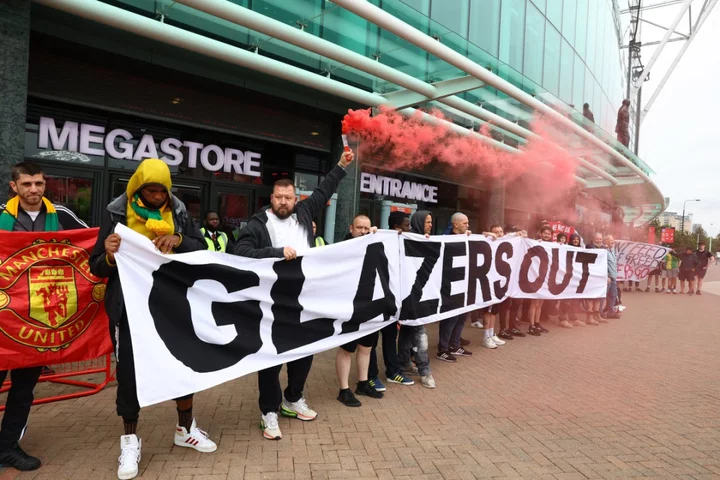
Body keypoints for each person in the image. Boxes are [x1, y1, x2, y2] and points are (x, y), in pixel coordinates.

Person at [89, 159, 216, 480]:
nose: (158, 196)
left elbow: (202, 248)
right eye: (151, 190)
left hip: (171, 307)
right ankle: (130, 441)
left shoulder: (180, 213)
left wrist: (179, 240)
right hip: (130, 312)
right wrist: (108, 255)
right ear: (138, 189)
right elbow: (96, 266)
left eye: (162, 190)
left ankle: (184, 428)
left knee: (182, 367)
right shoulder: (116, 214)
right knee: (130, 374)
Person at [234, 150, 354, 440]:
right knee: (271, 359)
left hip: (306, 300)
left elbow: (324, 189)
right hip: (271, 303)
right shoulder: (258, 223)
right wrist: (276, 254)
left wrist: (341, 164)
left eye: (288, 197)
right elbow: (240, 252)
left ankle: (293, 398)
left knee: (304, 353)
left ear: (295, 198)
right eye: (279, 197)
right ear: (271, 197)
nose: (284, 202)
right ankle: (269, 411)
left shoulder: (303, 212)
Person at [0, 162, 86, 472]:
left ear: (45, 184)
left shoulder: (62, 216)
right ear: (14, 187)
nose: (33, 189)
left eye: (38, 183)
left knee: (23, 390)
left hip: (37, 323)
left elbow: (88, 244)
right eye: (26, 184)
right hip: (3, 319)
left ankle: (7, 447)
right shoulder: (1, 216)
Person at [335, 215, 384, 407]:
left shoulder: (375, 244)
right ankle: (343, 390)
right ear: (351, 228)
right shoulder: (341, 249)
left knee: (366, 348)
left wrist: (391, 235)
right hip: (350, 308)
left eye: (366, 228)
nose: (363, 231)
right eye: (359, 228)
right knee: (347, 348)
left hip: (370, 306)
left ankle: (362, 383)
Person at [366, 212, 413, 393]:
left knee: (390, 338)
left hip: (392, 300)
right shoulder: (378, 239)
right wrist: (371, 233)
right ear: (396, 228)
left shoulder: (405, 243)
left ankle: (393, 372)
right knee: (369, 341)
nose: (410, 229)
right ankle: (371, 376)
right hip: (374, 299)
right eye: (407, 226)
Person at [397, 211, 435, 388]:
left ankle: (404, 363)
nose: (430, 225)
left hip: (419, 294)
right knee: (420, 335)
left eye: (431, 221)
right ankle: (425, 371)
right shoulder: (404, 238)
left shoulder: (429, 240)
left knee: (407, 332)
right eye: (427, 222)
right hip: (408, 295)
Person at [437, 212, 473, 358]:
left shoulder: (466, 238)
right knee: (450, 316)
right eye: (465, 223)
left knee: (462, 316)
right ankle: (443, 349)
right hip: (449, 284)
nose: (468, 226)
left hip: (462, 282)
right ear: (455, 224)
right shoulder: (446, 239)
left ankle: (455, 344)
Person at [527, 226, 553, 336]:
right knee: (534, 302)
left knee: (540, 303)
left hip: (546, 276)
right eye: (545, 233)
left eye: (549, 233)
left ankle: (537, 323)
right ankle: (531, 325)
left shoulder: (552, 245)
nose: (547, 235)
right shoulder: (536, 242)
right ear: (540, 233)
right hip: (536, 275)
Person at [584, 233, 605, 325]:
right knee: (590, 297)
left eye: (600, 239)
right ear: (593, 239)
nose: (599, 241)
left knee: (598, 296)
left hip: (600, 276)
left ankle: (597, 315)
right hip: (590, 275)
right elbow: (592, 250)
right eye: (597, 239)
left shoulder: (603, 249)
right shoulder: (589, 247)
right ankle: (589, 317)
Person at [603, 235, 619, 319]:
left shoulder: (612, 251)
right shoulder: (605, 252)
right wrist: (607, 276)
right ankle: (600, 314)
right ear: (606, 242)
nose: (613, 241)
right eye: (610, 240)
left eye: (613, 239)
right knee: (604, 295)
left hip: (613, 278)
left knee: (613, 295)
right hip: (608, 278)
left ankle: (610, 312)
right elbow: (604, 265)